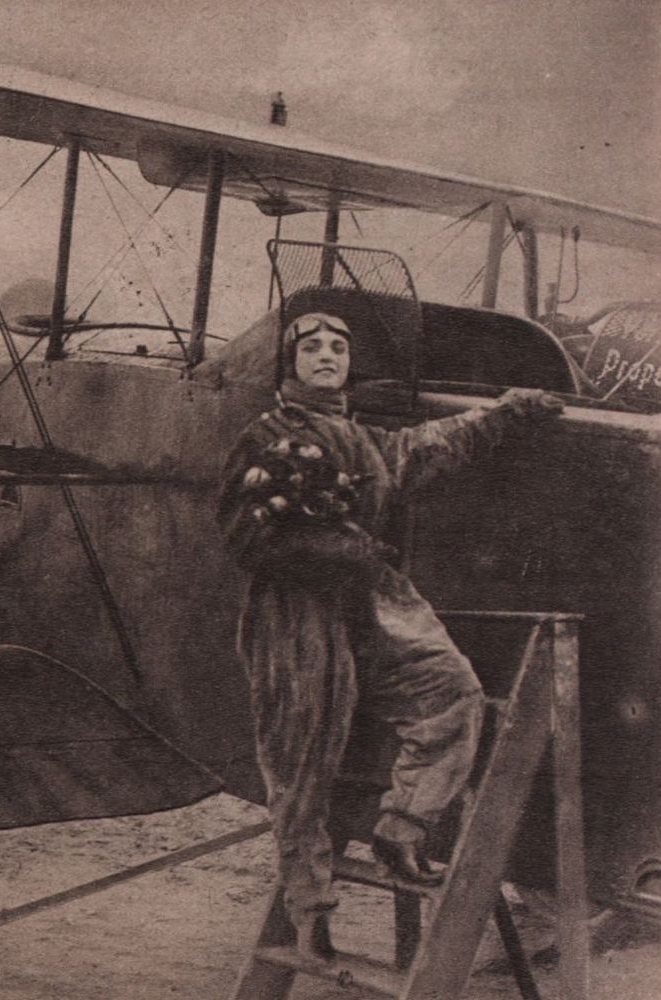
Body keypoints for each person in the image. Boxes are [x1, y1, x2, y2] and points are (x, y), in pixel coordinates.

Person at [217, 311, 563, 962]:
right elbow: (245, 537)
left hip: (372, 606)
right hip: (296, 619)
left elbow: (429, 445)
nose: (326, 355)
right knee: (301, 776)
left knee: (450, 691)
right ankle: (311, 920)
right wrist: (338, 549)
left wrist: (507, 410)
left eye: (338, 346)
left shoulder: (362, 441)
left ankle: (402, 831)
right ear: (289, 364)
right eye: (311, 347)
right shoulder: (266, 438)